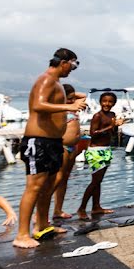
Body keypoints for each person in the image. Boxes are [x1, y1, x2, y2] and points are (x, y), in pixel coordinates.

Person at [13, 47, 87, 248]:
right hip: (38, 140)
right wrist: (68, 107)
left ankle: (43, 226)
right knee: (34, 187)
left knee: (48, 186)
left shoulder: (58, 84)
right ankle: (21, 235)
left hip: (54, 141)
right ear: (63, 62)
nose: (72, 70)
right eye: (72, 65)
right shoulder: (46, 79)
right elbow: (38, 105)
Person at [76, 91, 123, 220]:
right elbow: (93, 133)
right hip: (95, 151)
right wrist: (111, 126)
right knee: (95, 181)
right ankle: (81, 208)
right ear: (100, 102)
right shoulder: (97, 116)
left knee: (99, 181)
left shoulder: (112, 114)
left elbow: (112, 134)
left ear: (114, 103)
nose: (107, 104)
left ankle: (96, 207)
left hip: (106, 150)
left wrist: (116, 126)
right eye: (104, 101)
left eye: (110, 101)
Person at [51, 84, 85, 220]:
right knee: (57, 178)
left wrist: (71, 95)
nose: (71, 101)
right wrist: (63, 97)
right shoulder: (58, 109)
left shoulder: (72, 106)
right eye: (68, 98)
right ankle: (39, 213)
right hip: (63, 146)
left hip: (73, 147)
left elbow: (83, 96)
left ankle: (58, 210)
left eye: (72, 98)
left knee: (64, 179)